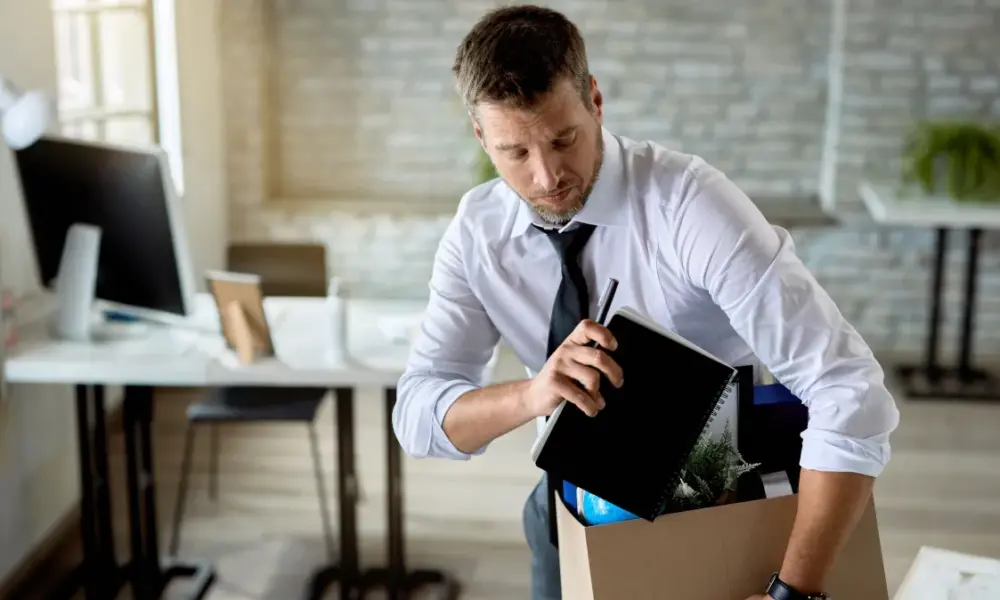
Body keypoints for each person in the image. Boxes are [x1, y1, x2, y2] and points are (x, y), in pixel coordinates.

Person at [393, 5, 900, 600]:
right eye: (515, 152)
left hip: (717, 514)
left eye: (564, 139)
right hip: (565, 513)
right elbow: (418, 416)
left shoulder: (691, 206)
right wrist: (534, 395)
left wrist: (796, 591)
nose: (547, 176)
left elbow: (848, 388)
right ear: (482, 137)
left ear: (595, 101)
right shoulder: (477, 233)